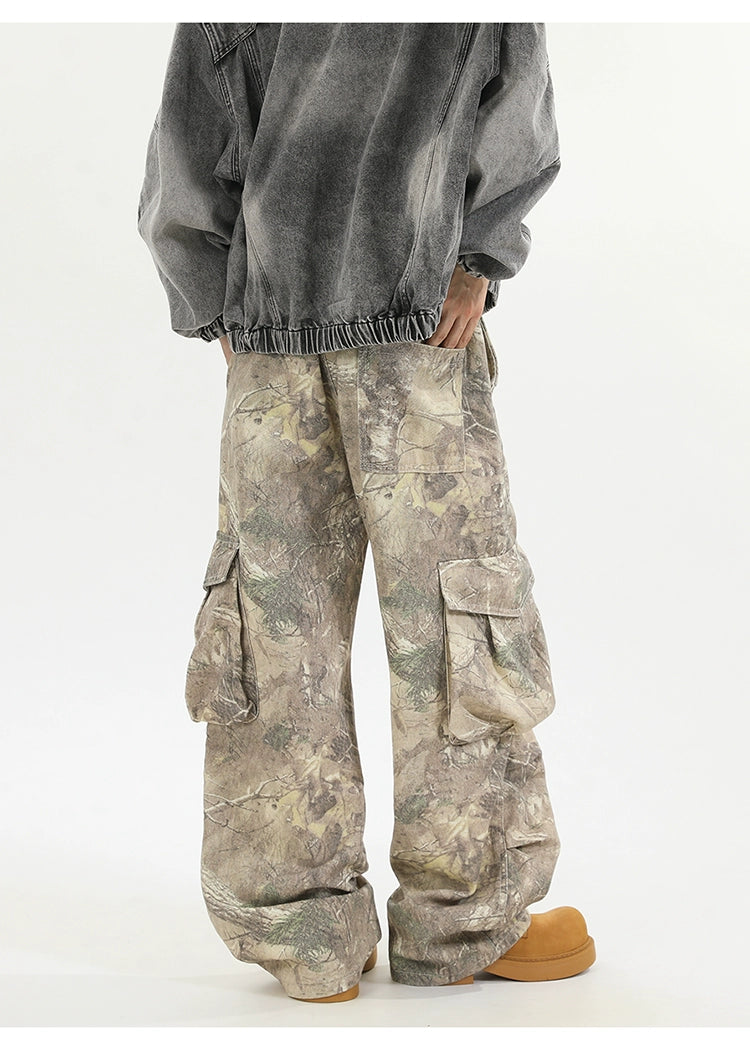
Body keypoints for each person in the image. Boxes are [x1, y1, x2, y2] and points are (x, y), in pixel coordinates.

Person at [137, 21, 596, 1003]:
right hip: (420, 331)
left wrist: (218, 304)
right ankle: (462, 919)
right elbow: (517, 122)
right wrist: (476, 262)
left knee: (277, 626)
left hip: (275, 335)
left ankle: (302, 933)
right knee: (455, 620)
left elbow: (187, 143)